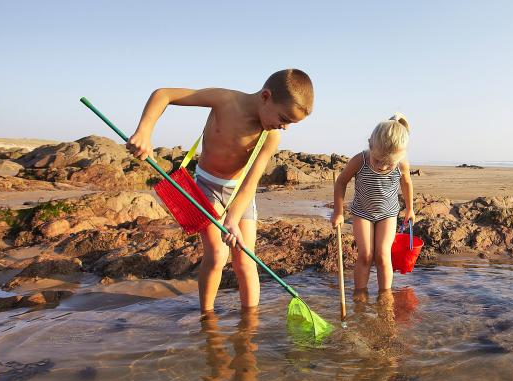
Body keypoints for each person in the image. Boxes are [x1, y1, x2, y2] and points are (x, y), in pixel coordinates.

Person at [126, 69, 314, 313]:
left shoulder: (271, 137)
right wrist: (144, 131)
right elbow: (163, 95)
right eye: (285, 118)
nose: (285, 127)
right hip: (206, 186)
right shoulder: (225, 100)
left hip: (240, 195)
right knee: (216, 254)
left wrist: (233, 219)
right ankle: (208, 316)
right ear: (266, 97)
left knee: (246, 259)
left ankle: (250, 323)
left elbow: (250, 184)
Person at [331, 113, 414, 295]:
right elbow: (341, 182)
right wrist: (339, 212)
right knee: (366, 255)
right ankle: (360, 294)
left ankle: (385, 296)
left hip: (388, 214)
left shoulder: (401, 165)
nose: (382, 167)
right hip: (362, 213)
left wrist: (410, 208)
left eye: (388, 164)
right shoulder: (360, 160)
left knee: (383, 255)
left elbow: (406, 183)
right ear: (370, 144)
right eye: (377, 161)